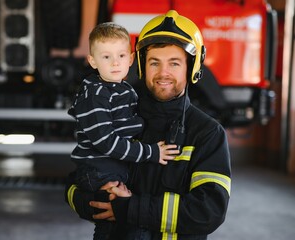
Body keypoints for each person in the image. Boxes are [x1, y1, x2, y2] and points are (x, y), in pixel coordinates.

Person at [65, 10, 231, 240]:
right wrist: (96, 202)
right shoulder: (121, 117)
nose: (163, 73)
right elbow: (74, 184)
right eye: (155, 62)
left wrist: (129, 208)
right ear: (142, 65)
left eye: (174, 63)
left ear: (191, 68)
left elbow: (208, 212)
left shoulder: (207, 133)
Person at [67, 22, 177, 240]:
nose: (115, 62)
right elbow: (106, 141)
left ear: (131, 58)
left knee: (121, 221)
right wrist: (151, 153)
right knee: (109, 223)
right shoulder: (95, 94)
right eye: (106, 57)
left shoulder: (124, 88)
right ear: (92, 61)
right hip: (100, 170)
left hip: (116, 166)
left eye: (120, 55)